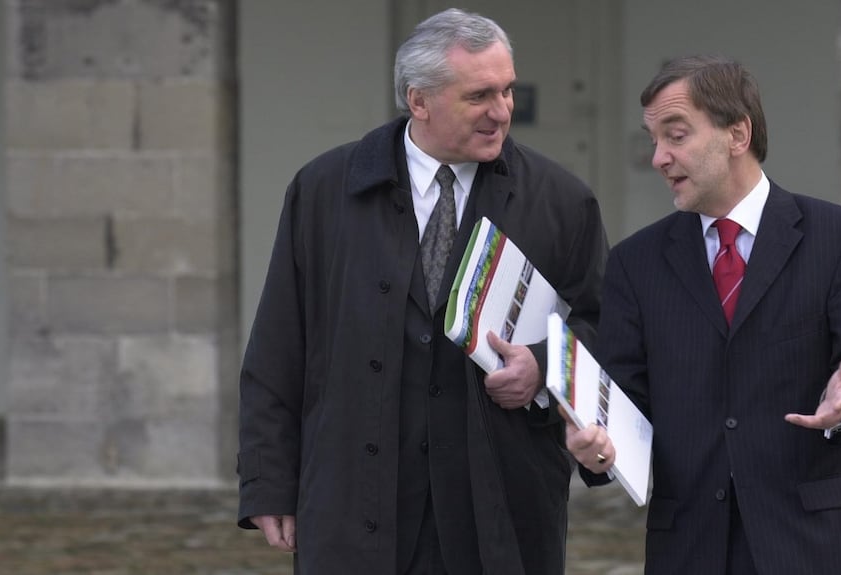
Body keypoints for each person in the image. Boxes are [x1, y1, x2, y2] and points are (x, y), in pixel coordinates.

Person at [236, 8, 608, 575]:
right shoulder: (323, 191)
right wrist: (268, 482)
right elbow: (279, 346)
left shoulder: (561, 201)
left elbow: (604, 327)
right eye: (479, 96)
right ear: (419, 100)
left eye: (507, 91)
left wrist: (539, 364)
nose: (502, 112)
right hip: (352, 501)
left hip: (500, 508)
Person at [563, 55, 841, 574]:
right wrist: (596, 447)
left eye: (676, 136)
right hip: (690, 546)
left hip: (812, 541)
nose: (659, 157)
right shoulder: (635, 263)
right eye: (654, 138)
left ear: (738, 133)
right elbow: (623, 401)